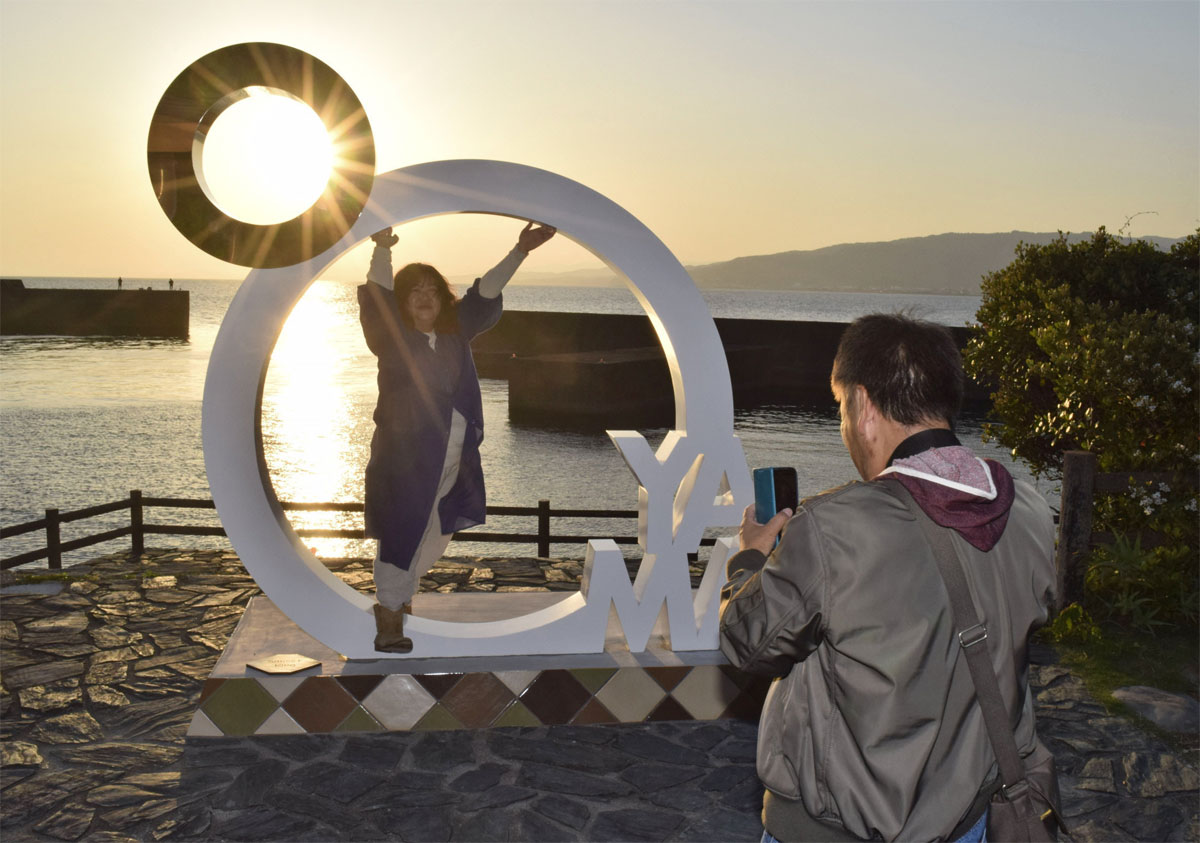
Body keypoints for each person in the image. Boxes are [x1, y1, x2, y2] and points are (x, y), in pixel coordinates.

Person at [719, 313, 1057, 842]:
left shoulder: (833, 527)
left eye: (840, 408)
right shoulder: (1030, 511)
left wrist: (751, 560)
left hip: (837, 829)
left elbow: (748, 641)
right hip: (969, 820)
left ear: (865, 406)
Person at [359, 221, 556, 653]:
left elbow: (484, 293)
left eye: (432, 290)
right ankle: (390, 617)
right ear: (402, 301)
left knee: (437, 531)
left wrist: (520, 250)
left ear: (442, 299)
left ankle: (398, 597)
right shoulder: (392, 339)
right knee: (401, 532)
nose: (425, 297)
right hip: (405, 462)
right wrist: (383, 247)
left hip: (454, 458)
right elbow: (377, 298)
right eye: (414, 291)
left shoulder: (454, 333)